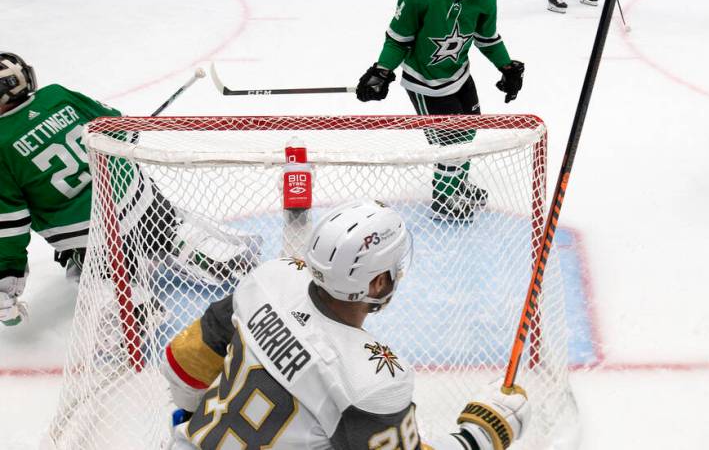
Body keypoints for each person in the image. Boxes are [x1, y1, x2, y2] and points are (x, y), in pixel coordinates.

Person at [164, 199, 530, 450]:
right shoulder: (371, 382)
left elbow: (182, 361)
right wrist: (482, 433)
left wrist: (198, 419)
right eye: (393, 268)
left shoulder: (268, 278)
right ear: (377, 283)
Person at [0, 53, 252, 327]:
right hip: (141, 198)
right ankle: (192, 243)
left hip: (93, 237)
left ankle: (131, 303)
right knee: (164, 224)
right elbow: (119, 126)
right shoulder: (57, 95)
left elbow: (10, 227)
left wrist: (6, 289)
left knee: (84, 271)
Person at [355, 0, 524, 221]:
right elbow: (398, 39)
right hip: (426, 83)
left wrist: (506, 67)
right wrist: (381, 71)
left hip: (459, 75)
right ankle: (445, 198)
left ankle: (458, 184)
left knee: (468, 133)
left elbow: (487, 38)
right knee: (451, 143)